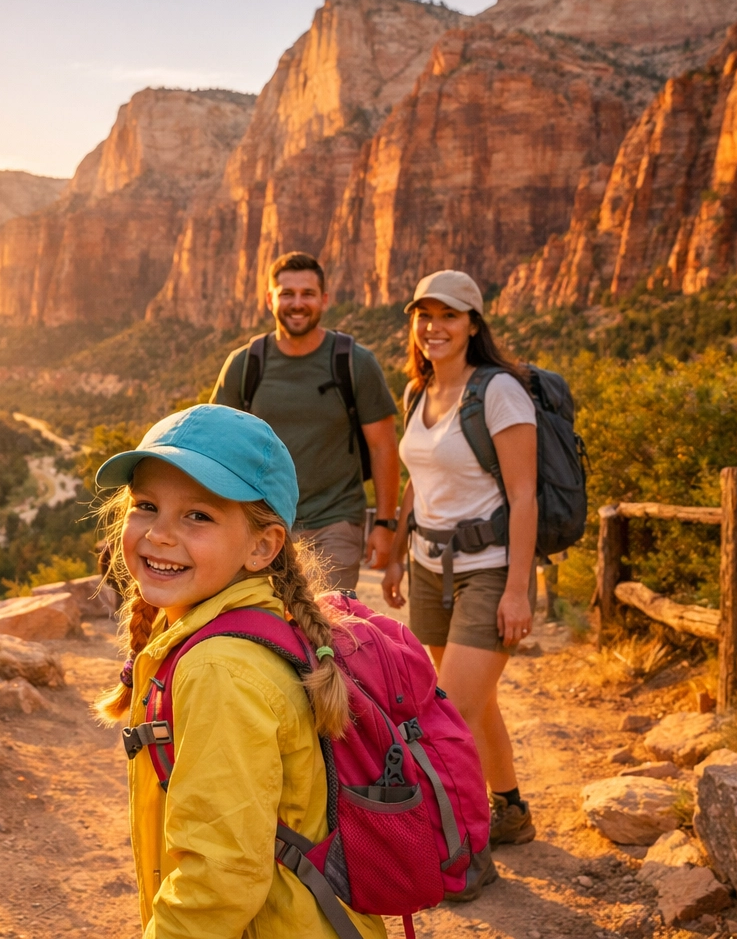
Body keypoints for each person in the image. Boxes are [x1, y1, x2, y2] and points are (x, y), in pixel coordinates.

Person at [93, 404, 386, 939]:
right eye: (146, 506)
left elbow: (219, 877)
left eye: (198, 515)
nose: (159, 534)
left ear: (262, 546)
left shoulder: (219, 668)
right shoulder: (259, 622)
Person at [383, 270, 539, 849]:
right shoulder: (415, 392)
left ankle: (461, 843)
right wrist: (397, 557)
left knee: (446, 714)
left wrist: (517, 590)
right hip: (429, 569)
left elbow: (525, 495)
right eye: (424, 315)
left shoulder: (498, 392)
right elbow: (415, 484)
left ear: (473, 323)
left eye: (448, 315)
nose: (434, 327)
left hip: (489, 569)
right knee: (475, 703)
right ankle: (511, 810)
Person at [211, 252, 401, 596]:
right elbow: (216, 449)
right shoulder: (244, 365)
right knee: (265, 631)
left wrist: (385, 525)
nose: (297, 303)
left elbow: (383, 447)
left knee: (325, 630)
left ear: (324, 300)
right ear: (270, 299)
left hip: (335, 521)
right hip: (261, 526)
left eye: (308, 294)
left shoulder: (355, 363)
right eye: (287, 293)